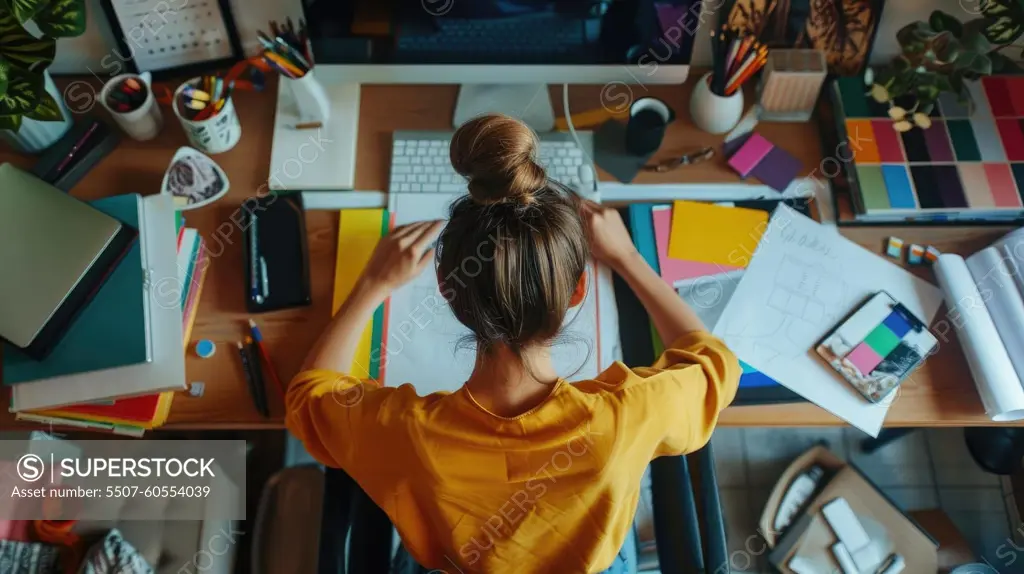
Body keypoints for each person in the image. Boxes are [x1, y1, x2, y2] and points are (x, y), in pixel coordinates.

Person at [286, 114, 741, 574]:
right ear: (578, 291)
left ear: (445, 285)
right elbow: (715, 366)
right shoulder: (628, 415)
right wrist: (627, 258)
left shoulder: (407, 433)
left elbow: (309, 397)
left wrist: (371, 285)